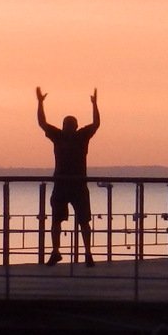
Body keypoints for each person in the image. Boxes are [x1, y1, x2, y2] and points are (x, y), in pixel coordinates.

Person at [36, 87, 99, 264]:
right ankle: (75, 252)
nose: (69, 128)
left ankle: (83, 253)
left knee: (74, 221)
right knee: (72, 221)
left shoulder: (68, 136)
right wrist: (40, 103)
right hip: (69, 184)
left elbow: (42, 123)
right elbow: (42, 123)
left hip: (71, 184)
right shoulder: (71, 136)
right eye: (67, 125)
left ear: (73, 126)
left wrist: (40, 103)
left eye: (69, 125)